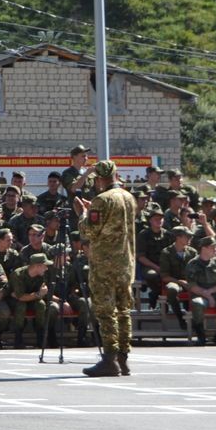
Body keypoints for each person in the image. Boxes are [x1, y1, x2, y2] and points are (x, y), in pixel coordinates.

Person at [76, 160, 138, 377]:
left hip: (105, 264)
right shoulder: (129, 197)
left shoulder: (101, 200)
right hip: (126, 263)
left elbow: (89, 231)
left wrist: (83, 213)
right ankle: (123, 358)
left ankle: (110, 358)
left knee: (105, 311)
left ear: (100, 179)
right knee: (123, 311)